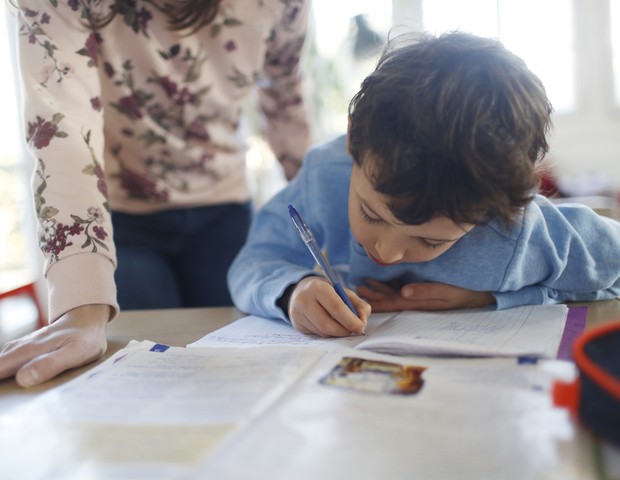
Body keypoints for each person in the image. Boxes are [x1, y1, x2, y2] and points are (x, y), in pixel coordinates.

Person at [227, 31, 620, 338]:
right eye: (370, 213)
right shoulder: (326, 175)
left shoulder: (517, 232)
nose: (387, 251)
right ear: (353, 144)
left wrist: (495, 296)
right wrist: (292, 290)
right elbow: (252, 263)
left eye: (431, 241)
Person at [0, 0, 310, 387]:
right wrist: (81, 306)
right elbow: (63, 133)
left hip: (226, 212)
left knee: (236, 379)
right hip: (119, 221)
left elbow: (284, 98)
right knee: (145, 379)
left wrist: (326, 226)